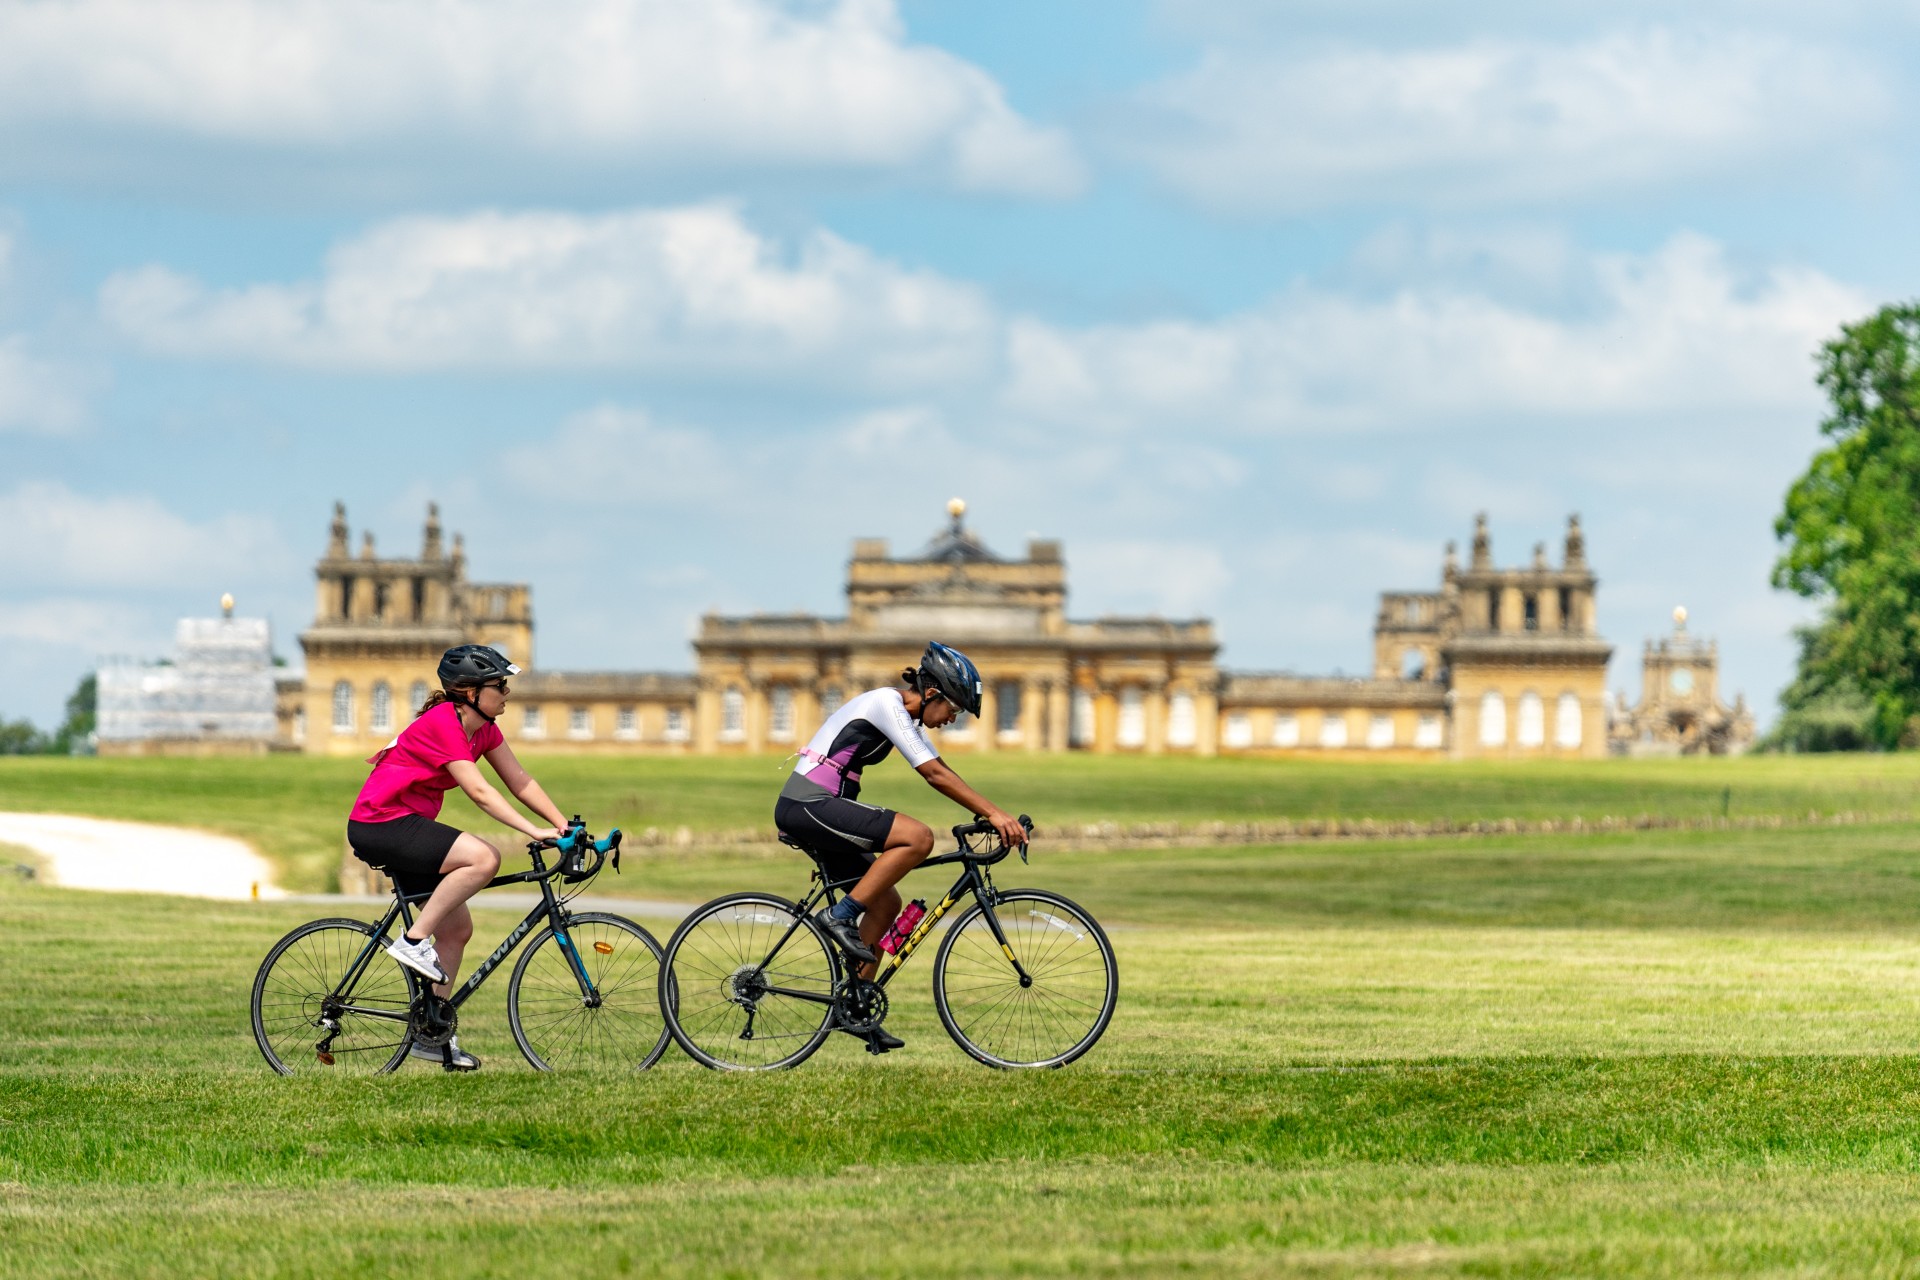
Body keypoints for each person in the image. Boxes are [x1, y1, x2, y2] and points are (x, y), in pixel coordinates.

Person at [774, 641, 1027, 1049]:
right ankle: (838, 917)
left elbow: (938, 765)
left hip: (822, 808)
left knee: (887, 904)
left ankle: (854, 1009)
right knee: (918, 837)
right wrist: (996, 814)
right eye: (952, 709)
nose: (951, 719)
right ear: (931, 694)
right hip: (808, 804)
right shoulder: (886, 704)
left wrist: (989, 811)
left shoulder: (902, 717)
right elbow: (934, 774)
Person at [346, 644, 569, 1071]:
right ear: (469, 692)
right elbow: (481, 793)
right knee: (483, 859)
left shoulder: (482, 729)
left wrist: (562, 827)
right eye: (499, 685)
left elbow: (519, 781)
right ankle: (412, 942)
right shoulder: (443, 723)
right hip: (381, 823)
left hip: (402, 823)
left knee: (457, 930)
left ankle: (430, 1036)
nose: (507, 692)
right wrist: (533, 830)